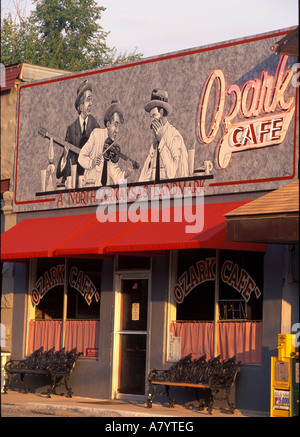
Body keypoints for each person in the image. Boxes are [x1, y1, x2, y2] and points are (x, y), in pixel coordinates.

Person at [78, 100, 134, 186]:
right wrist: (92, 162)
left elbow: (115, 176)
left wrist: (126, 173)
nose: (117, 130)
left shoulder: (113, 147)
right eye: (115, 125)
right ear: (108, 125)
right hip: (90, 187)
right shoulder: (96, 134)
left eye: (119, 126)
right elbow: (81, 157)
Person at [139, 89, 189, 182]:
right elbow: (146, 174)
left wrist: (161, 142)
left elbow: (172, 174)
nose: (152, 120)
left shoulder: (174, 136)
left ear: (161, 112)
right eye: (151, 117)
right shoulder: (156, 139)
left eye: (154, 115)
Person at [56, 79, 100, 184]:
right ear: (80, 106)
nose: (91, 103)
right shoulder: (70, 130)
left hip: (90, 181)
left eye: (91, 100)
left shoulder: (96, 127)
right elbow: (59, 173)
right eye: (88, 100)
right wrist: (65, 156)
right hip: (74, 183)